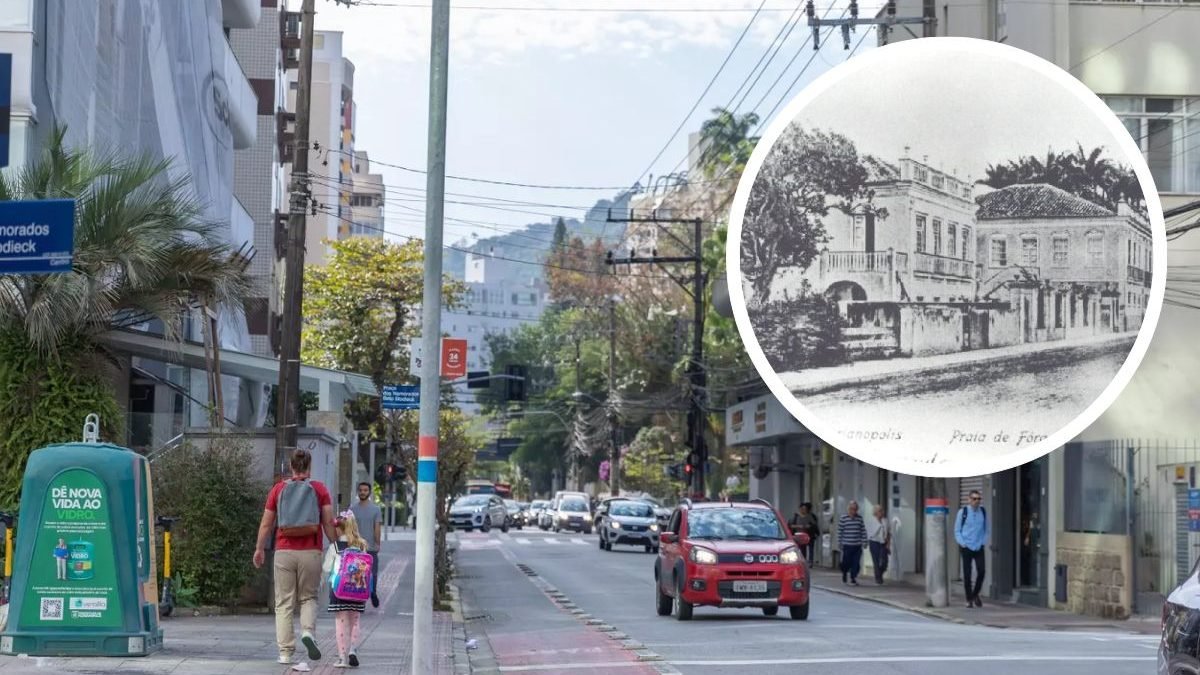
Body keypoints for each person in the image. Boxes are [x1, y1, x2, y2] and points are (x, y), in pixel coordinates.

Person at [253, 449, 337, 670]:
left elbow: (266, 523)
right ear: (309, 467)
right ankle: (307, 632)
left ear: (291, 466)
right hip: (311, 552)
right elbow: (328, 523)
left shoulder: (278, 489)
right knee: (308, 597)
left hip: (284, 552)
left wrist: (259, 548)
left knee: (284, 603)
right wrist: (338, 545)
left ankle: (285, 652)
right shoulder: (319, 489)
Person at [323, 511, 369, 669]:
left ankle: (342, 658)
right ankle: (353, 650)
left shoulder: (335, 547)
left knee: (341, 622)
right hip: (358, 588)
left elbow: (326, 567)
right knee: (355, 621)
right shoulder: (362, 545)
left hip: (340, 590)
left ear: (339, 529)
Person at [349, 482, 383, 608]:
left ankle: (372, 592)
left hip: (370, 547)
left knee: (371, 572)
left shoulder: (376, 509)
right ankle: (361, 596)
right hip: (356, 547)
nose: (363, 492)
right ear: (358, 492)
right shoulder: (352, 509)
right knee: (359, 572)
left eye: (365, 490)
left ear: (369, 492)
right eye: (361, 490)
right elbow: (349, 528)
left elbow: (377, 528)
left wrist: (377, 542)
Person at [954, 490, 990, 609]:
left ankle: (975, 594)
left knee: (982, 571)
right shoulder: (963, 512)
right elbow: (957, 530)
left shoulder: (983, 512)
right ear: (969, 500)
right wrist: (962, 543)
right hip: (966, 547)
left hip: (978, 546)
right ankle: (969, 599)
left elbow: (987, 530)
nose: (977, 501)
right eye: (974, 499)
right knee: (967, 574)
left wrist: (983, 542)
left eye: (979, 499)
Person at [837, 501, 868, 586]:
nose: (853, 511)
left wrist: (865, 541)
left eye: (855, 509)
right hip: (847, 545)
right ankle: (844, 573)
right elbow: (840, 531)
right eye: (851, 509)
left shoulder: (859, 518)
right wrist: (839, 542)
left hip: (857, 545)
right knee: (846, 562)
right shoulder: (843, 518)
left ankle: (853, 578)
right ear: (848, 509)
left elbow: (863, 530)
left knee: (856, 563)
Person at [867, 505, 891, 585]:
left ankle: (879, 573)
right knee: (876, 561)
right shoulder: (871, 521)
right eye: (880, 511)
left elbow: (888, 533)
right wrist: (879, 526)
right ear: (876, 512)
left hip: (883, 543)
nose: (882, 512)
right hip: (874, 542)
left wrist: (888, 544)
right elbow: (871, 533)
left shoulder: (885, 521)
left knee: (884, 562)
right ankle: (878, 578)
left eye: (882, 510)